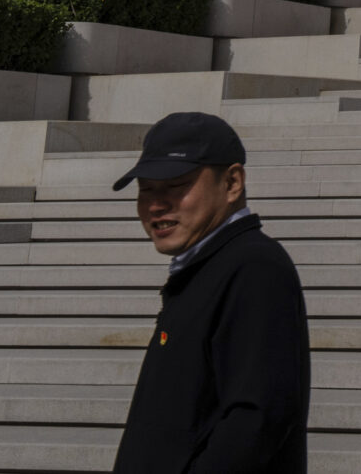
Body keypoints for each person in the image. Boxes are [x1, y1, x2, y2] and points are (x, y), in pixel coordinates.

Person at [111, 110, 310, 474]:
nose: (155, 205)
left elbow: (257, 419)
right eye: (146, 190)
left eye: (175, 186)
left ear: (232, 183)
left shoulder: (253, 268)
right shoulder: (206, 268)